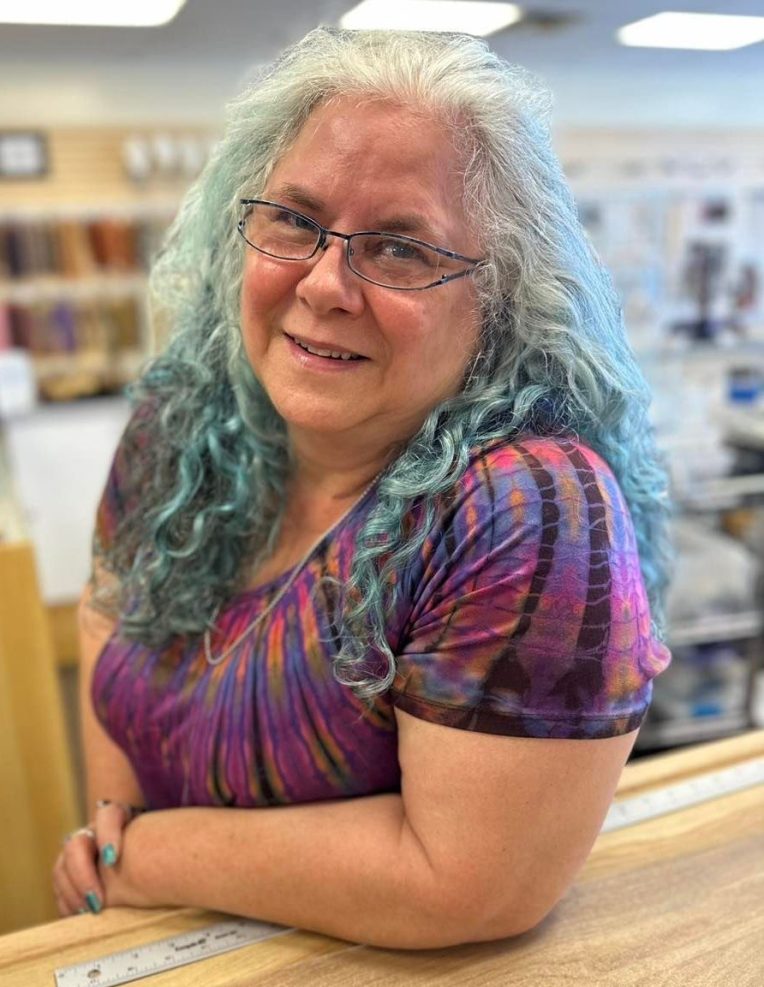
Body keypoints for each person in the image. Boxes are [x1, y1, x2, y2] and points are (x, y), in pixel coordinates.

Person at [52, 27, 672, 949]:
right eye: (294, 220)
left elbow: (466, 883)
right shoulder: (181, 426)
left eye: (400, 250)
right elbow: (107, 617)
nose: (324, 284)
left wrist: (143, 857)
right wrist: (120, 838)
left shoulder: (530, 509)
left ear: (501, 297)